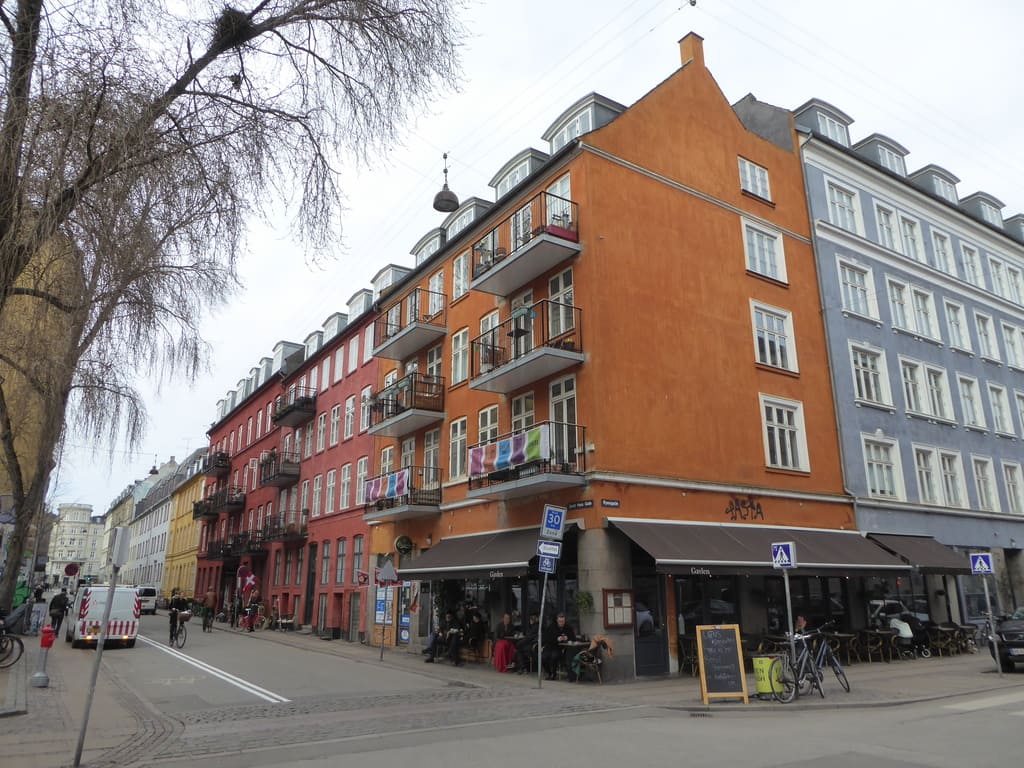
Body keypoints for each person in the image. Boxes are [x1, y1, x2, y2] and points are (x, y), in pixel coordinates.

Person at [542, 612, 577, 681]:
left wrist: (567, 638)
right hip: (550, 646)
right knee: (543, 658)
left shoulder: (568, 627)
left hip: (560, 648)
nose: (561, 623)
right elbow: (546, 638)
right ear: (557, 621)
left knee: (554, 656)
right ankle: (549, 673)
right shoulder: (551, 627)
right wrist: (557, 639)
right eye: (560, 621)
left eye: (563, 621)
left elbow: (573, 638)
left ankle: (553, 674)